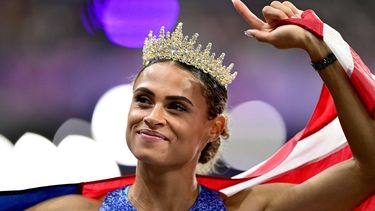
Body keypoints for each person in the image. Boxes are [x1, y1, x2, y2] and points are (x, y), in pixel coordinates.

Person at [27, 0, 375, 210]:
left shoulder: (252, 208)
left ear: (214, 128)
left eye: (176, 107)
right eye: (144, 100)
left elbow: (368, 171)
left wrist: (317, 49)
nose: (152, 117)